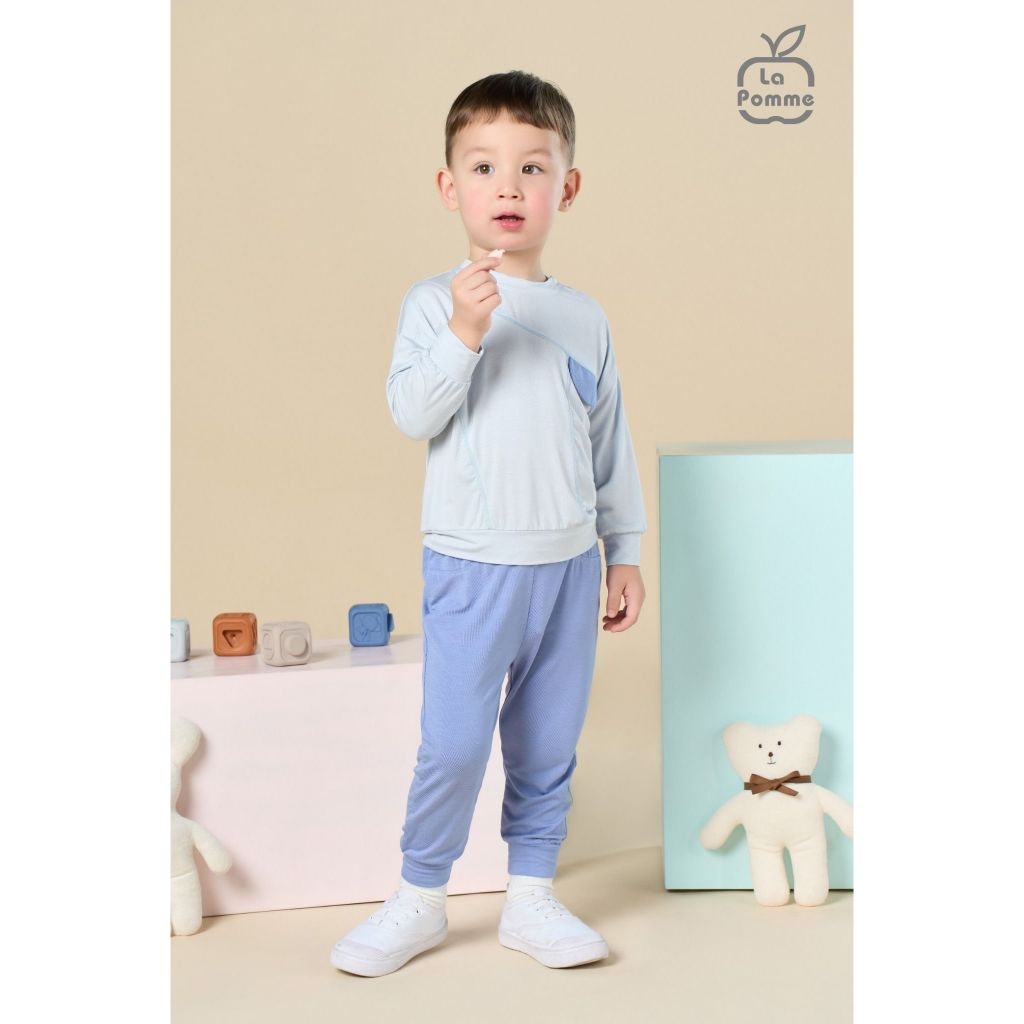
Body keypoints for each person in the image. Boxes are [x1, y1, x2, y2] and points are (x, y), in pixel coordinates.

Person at [330, 70, 647, 977]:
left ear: (566, 187)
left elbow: (609, 441)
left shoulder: (583, 318)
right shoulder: (435, 303)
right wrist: (464, 332)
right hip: (472, 565)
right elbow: (412, 413)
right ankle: (420, 896)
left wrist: (624, 549)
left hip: (568, 567)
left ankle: (531, 896)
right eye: (484, 167)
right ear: (450, 186)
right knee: (456, 741)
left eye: (532, 167)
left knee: (547, 741)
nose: (508, 186)